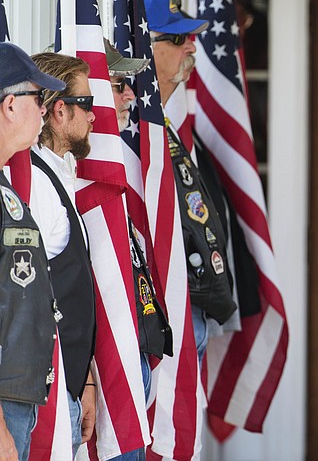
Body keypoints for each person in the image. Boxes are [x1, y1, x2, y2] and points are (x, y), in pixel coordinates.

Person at [142, 0, 237, 362]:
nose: (192, 49)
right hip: (160, 313)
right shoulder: (130, 131)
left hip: (189, 304)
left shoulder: (161, 125)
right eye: (179, 39)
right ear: (145, 45)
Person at [28, 52, 97, 457]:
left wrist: (85, 378)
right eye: (86, 104)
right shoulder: (36, 183)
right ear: (58, 110)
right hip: (46, 397)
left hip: (69, 382)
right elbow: (34, 291)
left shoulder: (58, 174)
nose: (94, 116)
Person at [106, 38, 172, 461]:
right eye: (116, 84)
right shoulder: (73, 182)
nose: (131, 94)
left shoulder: (110, 172)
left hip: (133, 361)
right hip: (103, 381)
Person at [0, 42, 64, 461]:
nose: (44, 111)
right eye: (38, 99)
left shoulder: (6, 188)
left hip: (18, 396)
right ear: (9, 105)